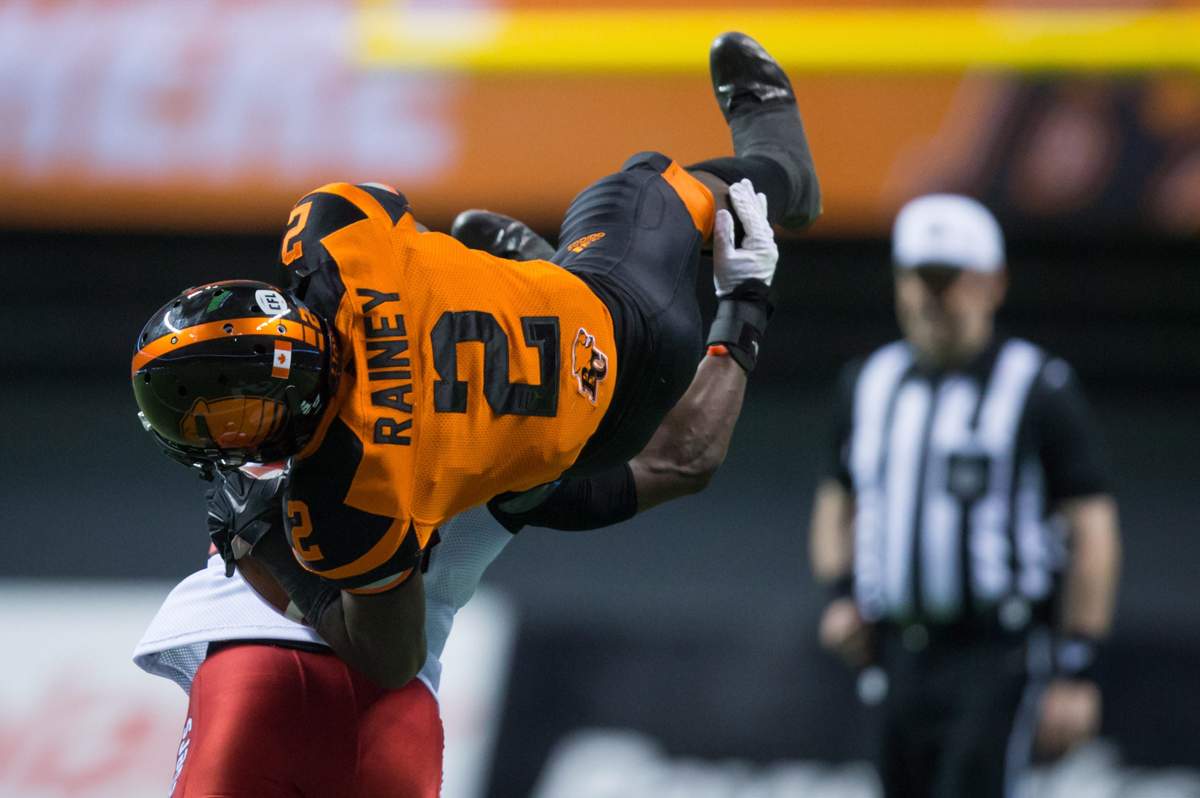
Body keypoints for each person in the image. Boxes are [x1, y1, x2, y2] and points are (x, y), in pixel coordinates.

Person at [131, 30, 819, 692]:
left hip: (586, 441)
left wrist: (272, 546)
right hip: (622, 318)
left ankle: (739, 301)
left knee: (509, 498)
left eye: (241, 414)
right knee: (641, 187)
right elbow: (402, 223)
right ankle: (780, 169)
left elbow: (394, 658)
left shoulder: (343, 496)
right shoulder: (332, 229)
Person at [135, 205, 775, 798]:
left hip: (276, 670)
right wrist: (744, 306)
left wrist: (274, 548)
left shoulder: (342, 354)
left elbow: (387, 646)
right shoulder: (521, 431)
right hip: (396, 716)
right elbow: (681, 460)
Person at [808, 194, 1121, 798]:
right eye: (917, 278)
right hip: (896, 650)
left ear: (992, 284)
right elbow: (837, 500)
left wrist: (1078, 666)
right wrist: (840, 594)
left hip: (994, 651)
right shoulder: (868, 385)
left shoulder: (1038, 389)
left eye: (947, 279)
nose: (931, 297)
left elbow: (1092, 530)